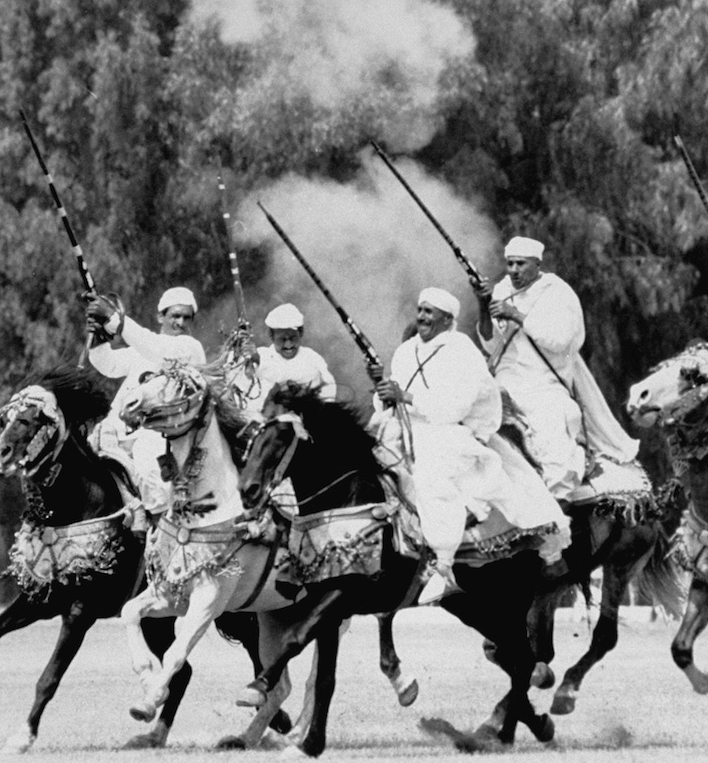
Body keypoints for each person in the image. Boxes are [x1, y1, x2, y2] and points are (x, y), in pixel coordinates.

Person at [371, 287, 570, 604]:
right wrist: (382, 391)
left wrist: (405, 397)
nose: (422, 317)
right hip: (402, 427)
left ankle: (443, 564)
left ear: (447, 318)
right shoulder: (406, 351)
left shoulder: (461, 351)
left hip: (449, 431)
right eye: (420, 310)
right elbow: (393, 396)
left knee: (432, 478)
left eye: (429, 312)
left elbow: (455, 408)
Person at [474, 237, 587, 498]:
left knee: (550, 429)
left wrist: (516, 315)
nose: (513, 270)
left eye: (520, 264)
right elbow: (491, 346)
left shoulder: (557, 292)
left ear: (537, 264)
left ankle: (559, 500)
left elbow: (560, 341)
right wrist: (483, 304)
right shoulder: (502, 290)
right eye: (510, 264)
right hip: (504, 380)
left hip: (543, 382)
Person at [84, 286, 207, 458]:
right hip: (115, 433)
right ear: (160, 317)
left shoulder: (190, 348)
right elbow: (109, 364)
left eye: (187, 318)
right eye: (175, 316)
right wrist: (98, 338)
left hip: (155, 442)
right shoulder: (142, 350)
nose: (181, 323)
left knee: (145, 454)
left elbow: (156, 348)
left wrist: (114, 318)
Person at [244, 303, 337, 415]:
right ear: (271, 335)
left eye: (292, 338)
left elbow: (329, 390)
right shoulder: (261, 356)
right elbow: (248, 388)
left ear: (301, 332)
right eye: (282, 339)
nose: (288, 345)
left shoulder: (312, 358)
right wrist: (248, 358)